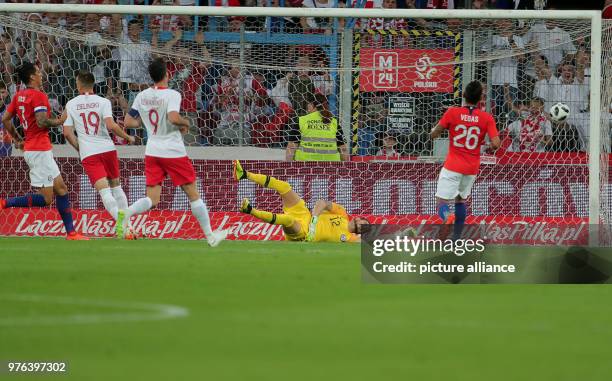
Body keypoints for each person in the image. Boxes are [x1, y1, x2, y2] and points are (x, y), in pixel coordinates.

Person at [117, 58, 228, 247]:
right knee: (193, 194)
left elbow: (128, 122)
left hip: (152, 151)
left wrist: (147, 123)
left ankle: (126, 213)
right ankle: (210, 236)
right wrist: (185, 123)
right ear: (167, 74)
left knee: (152, 198)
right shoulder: (172, 94)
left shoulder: (141, 95)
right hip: (173, 151)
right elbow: (173, 117)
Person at [0, 62, 88, 240]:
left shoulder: (19, 96)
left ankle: (71, 233)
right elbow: (41, 121)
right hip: (39, 151)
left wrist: (18, 139)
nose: (41, 74)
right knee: (47, 198)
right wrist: (60, 120)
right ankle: (4, 203)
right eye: (38, 72)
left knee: (62, 189)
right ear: (32, 77)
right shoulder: (38, 96)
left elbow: (6, 118)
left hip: (36, 149)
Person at [233, 160, 370, 242]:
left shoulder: (350, 238)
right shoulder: (342, 213)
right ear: (358, 218)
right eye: (363, 222)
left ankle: (249, 210)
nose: (361, 225)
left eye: (363, 227)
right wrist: (314, 221)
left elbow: (367, 243)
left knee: (288, 220)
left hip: (303, 233)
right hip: (305, 216)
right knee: (284, 187)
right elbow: (321, 203)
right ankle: (244, 174)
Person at [430, 80, 500, 239]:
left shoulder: (452, 112)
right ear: (481, 98)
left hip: (453, 165)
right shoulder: (487, 117)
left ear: (463, 95)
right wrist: (486, 145)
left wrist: (433, 131)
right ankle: (456, 238)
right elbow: (496, 144)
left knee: (441, 201)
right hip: (471, 168)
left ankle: (447, 217)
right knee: (460, 201)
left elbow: (434, 134)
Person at [62, 70, 135, 223]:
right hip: (107, 149)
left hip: (89, 153)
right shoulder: (103, 102)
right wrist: (127, 137)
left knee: (105, 192)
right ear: (93, 84)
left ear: (78, 85)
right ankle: (128, 225)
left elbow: (67, 133)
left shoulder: (71, 104)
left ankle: (122, 224)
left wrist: (79, 148)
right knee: (116, 187)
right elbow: (111, 125)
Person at [286, 93, 349, 161]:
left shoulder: (301, 121)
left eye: (308, 104)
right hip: (331, 165)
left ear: (312, 105)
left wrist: (288, 166)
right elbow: (343, 149)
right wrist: (345, 167)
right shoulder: (333, 122)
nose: (307, 108)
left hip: (305, 165)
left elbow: (291, 147)